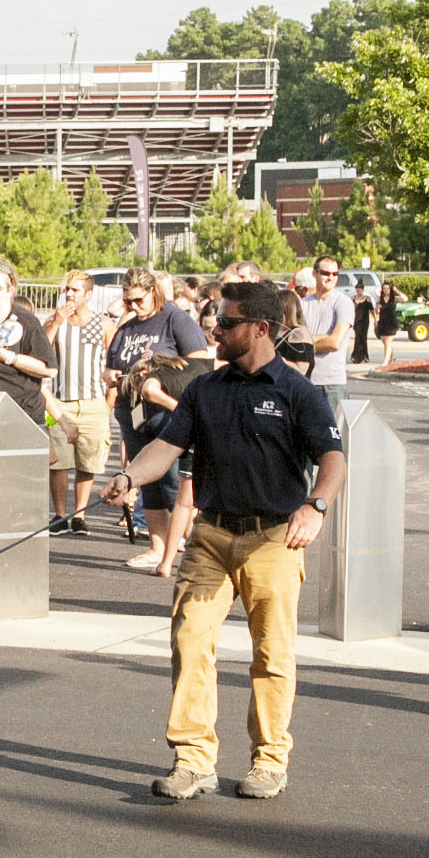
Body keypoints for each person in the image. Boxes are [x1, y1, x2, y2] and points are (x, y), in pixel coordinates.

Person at [102, 280, 347, 803]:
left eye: (227, 322)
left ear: (260, 328)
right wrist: (131, 479)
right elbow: (166, 448)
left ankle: (269, 761)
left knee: (272, 654)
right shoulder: (204, 389)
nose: (215, 328)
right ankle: (193, 761)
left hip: (274, 538)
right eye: (216, 319)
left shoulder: (298, 393)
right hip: (211, 534)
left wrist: (316, 505)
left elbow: (333, 459)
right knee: (190, 641)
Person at [104, 265, 208, 571]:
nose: (133, 307)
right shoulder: (127, 327)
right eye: (127, 302)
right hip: (134, 411)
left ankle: (190, 545)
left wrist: (159, 373)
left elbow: (199, 363)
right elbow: (111, 362)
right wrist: (109, 375)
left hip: (166, 409)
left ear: (153, 293)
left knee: (174, 480)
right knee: (146, 479)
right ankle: (158, 547)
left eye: (138, 300)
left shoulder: (174, 318)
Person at [44, 269, 115, 535]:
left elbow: (114, 360)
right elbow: (42, 351)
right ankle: (60, 514)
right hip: (59, 402)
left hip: (93, 400)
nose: (69, 294)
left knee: (88, 461)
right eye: (67, 289)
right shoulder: (56, 320)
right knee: (59, 461)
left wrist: (108, 401)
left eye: (75, 290)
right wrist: (54, 323)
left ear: (88, 294)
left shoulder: (103, 323)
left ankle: (79, 515)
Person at [0, 258, 56, 431]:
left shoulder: (27, 322)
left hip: (22, 417)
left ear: (10, 290)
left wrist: (10, 358)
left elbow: (50, 369)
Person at [298, 257, 354, 410]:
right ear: (314, 274)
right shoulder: (302, 304)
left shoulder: (343, 303)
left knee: (333, 432)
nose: (331, 277)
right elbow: (294, 341)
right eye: (325, 273)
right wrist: (323, 338)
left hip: (332, 384)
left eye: (335, 274)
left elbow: (335, 342)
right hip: (305, 380)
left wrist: (306, 343)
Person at [375, 282, 403, 368]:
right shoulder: (380, 299)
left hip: (392, 322)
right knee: (385, 342)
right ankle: (391, 357)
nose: (386, 290)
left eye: (387, 288)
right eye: (384, 288)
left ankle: (385, 361)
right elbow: (377, 311)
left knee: (387, 342)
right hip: (383, 322)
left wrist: (397, 291)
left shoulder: (394, 298)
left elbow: (405, 299)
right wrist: (378, 308)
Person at [350, 283, 374, 365]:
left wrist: (375, 319)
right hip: (356, 321)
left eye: (359, 290)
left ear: (362, 290)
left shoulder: (367, 299)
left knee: (363, 338)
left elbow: (372, 309)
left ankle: (362, 356)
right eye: (357, 290)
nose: (358, 292)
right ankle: (357, 356)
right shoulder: (353, 298)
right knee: (357, 337)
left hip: (364, 321)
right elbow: (350, 310)